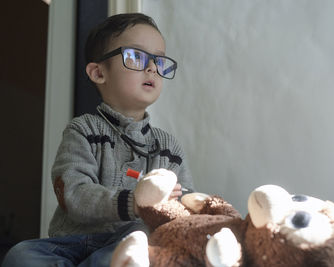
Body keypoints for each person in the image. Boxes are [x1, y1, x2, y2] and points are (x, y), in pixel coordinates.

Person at [2, 13, 195, 267]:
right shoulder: (82, 129)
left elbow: (186, 205)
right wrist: (134, 201)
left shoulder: (169, 148)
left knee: (142, 240)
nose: (151, 68)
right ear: (98, 73)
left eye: (159, 61)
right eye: (136, 57)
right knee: (20, 254)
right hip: (72, 243)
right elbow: (74, 194)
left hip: (129, 239)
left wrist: (178, 203)